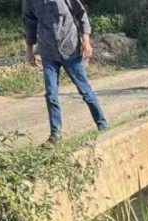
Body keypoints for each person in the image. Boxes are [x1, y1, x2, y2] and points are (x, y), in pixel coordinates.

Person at [23, 0, 108, 144]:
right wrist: (29, 50)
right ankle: (55, 134)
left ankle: (102, 125)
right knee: (51, 95)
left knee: (85, 91)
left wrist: (86, 40)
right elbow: (29, 22)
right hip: (48, 51)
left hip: (70, 48)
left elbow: (80, 13)